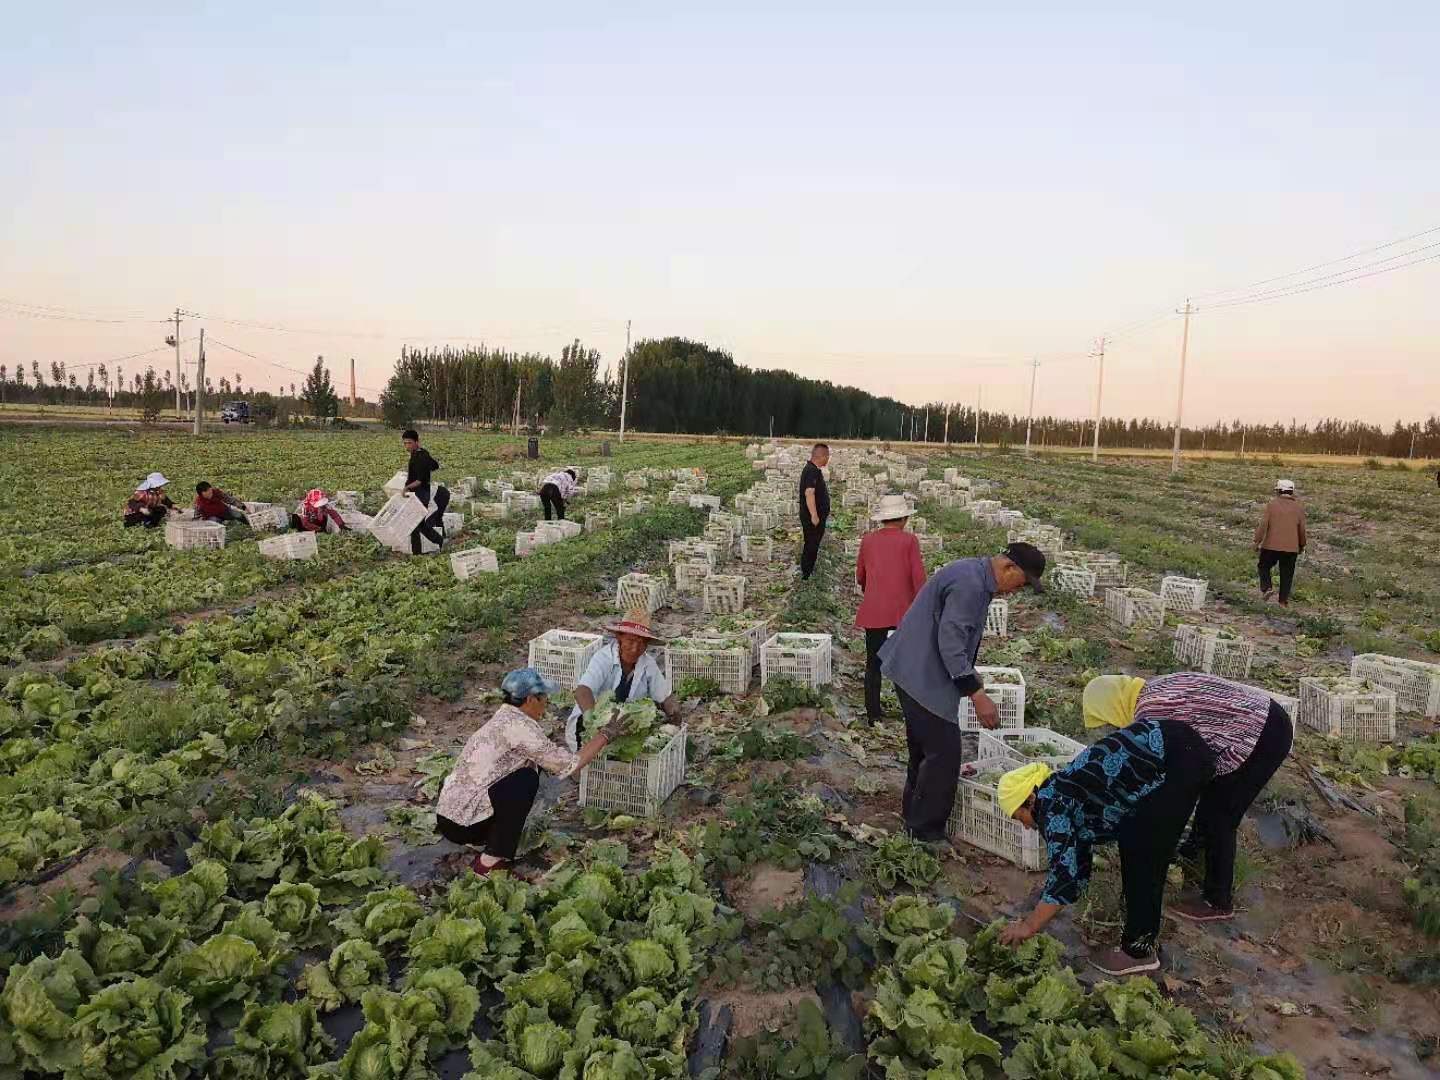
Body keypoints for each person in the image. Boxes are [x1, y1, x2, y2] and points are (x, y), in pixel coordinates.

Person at [994, 673, 1292, 976]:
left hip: (1188, 755)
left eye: (1020, 817)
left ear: (1030, 799)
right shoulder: (1062, 789)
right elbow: (1075, 864)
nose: (1026, 826)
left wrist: (1029, 925)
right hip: (1189, 751)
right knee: (1142, 837)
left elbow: (1064, 872)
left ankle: (1138, 950)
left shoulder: (1052, 807)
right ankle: (1155, 911)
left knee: (1142, 848)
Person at [878, 543, 1047, 843]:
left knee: (924, 749)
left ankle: (913, 818)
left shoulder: (973, 574)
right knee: (944, 754)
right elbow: (951, 644)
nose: (1014, 592)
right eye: (1019, 584)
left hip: (914, 667)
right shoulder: (970, 585)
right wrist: (977, 695)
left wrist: (973, 679)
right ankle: (926, 834)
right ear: (1008, 568)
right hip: (922, 675)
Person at [436, 668, 623, 876]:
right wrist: (605, 735)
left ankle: (488, 839)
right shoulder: (520, 728)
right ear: (530, 699)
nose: (546, 703)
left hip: (448, 818)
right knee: (525, 780)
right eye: (543, 698)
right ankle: (488, 863)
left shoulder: (502, 718)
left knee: (528, 770)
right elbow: (568, 764)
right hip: (465, 825)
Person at [565, 610, 682, 751]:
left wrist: (673, 712)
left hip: (622, 732)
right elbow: (582, 691)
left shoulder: (647, 663)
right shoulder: (603, 658)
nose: (635, 648)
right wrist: (593, 722)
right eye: (630, 641)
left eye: (642, 643)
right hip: (587, 730)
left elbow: (665, 697)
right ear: (619, 637)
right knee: (586, 764)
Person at [855, 494, 927, 723]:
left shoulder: (868, 540)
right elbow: (919, 579)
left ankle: (873, 714)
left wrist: (874, 593)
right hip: (903, 614)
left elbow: (861, 576)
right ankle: (909, 713)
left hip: (875, 612)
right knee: (903, 665)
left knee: (873, 664)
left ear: (882, 519)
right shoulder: (909, 541)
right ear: (904, 518)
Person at [1254, 478, 1306, 605]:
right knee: (1287, 574)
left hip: (1271, 545)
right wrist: (1301, 545)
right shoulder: (1298, 508)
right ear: (1291, 492)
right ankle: (1283, 602)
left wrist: (1257, 541)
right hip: (1291, 548)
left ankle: (1267, 588)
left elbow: (1263, 525)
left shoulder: (1272, 505)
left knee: (1263, 566)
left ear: (1278, 491)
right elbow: (1302, 530)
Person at [401, 429, 448, 554]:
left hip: (421, 494)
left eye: (409, 443)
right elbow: (435, 465)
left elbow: (419, 481)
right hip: (419, 493)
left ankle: (420, 551)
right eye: (405, 443)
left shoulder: (420, 457)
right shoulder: (421, 453)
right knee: (419, 525)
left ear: (417, 442)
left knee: (415, 525)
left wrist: (406, 488)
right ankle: (439, 541)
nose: (407, 446)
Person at [798, 443, 831, 579]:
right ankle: (806, 574)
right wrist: (814, 515)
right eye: (827, 456)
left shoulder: (812, 469)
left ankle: (807, 570)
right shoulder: (812, 471)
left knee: (811, 543)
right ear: (821, 456)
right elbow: (809, 493)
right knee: (811, 544)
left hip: (812, 517)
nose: (828, 459)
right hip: (812, 518)